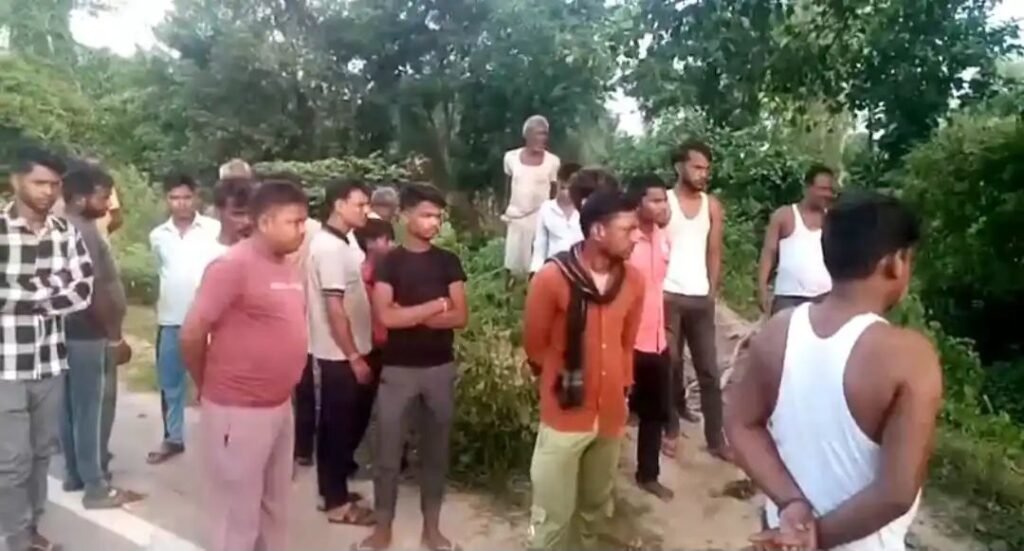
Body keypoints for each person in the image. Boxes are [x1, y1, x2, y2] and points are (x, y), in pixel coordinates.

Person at [726, 191, 941, 551]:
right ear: (895, 263)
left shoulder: (779, 330)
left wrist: (791, 504)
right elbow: (896, 492)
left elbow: (740, 424)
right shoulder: (910, 357)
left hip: (781, 531)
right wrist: (815, 538)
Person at [180, 181, 310, 551]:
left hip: (279, 406)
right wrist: (206, 384)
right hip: (237, 410)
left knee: (275, 507)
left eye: (304, 222)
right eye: (294, 222)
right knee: (236, 515)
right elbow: (192, 333)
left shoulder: (287, 265)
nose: (302, 230)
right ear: (265, 222)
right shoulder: (232, 266)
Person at [524, 186, 645, 550]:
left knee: (594, 510)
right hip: (564, 415)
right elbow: (535, 345)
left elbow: (627, 344)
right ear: (598, 231)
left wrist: (622, 390)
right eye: (628, 229)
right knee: (552, 517)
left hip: (609, 416)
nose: (637, 237)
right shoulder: (552, 278)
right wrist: (562, 384)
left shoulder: (634, 281)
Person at [359, 183, 468, 551]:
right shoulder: (389, 262)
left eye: (438, 216)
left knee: (436, 453)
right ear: (405, 216)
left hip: (440, 369)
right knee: (387, 454)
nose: (434, 222)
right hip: (398, 370)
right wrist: (436, 306)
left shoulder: (447, 261)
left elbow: (460, 316)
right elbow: (386, 317)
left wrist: (409, 314)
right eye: (426, 215)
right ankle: (383, 530)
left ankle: (432, 530)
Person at [0, 147, 94, 551]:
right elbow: (63, 291)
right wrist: (49, 292)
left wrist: (22, 297)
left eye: (54, 184)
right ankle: (17, 537)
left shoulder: (65, 232)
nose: (48, 192)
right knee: (12, 461)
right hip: (5, 363)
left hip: (50, 360)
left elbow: (82, 290)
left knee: (41, 454)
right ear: (16, 181)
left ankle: (31, 526)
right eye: (39, 182)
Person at [58, 165, 134, 509]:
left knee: (70, 409)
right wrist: (114, 336)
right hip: (91, 335)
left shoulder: (62, 227)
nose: (107, 205)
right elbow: (93, 291)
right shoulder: (84, 231)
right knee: (94, 411)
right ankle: (96, 485)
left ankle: (74, 474)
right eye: (102, 197)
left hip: (68, 332)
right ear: (79, 198)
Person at [305, 179, 377, 525]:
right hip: (338, 353)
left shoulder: (345, 240)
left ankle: (332, 491)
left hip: (350, 347)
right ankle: (336, 503)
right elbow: (334, 307)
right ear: (338, 204)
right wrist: (353, 356)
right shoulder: (329, 248)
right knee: (337, 427)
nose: (366, 211)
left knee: (340, 424)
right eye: (360, 204)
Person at [147, 174, 221, 464]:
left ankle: (219, 440)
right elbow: (162, 270)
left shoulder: (213, 229)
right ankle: (173, 438)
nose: (181, 203)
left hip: (210, 321)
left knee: (214, 383)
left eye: (186, 197)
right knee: (170, 383)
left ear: (196, 198)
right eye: (174, 198)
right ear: (167, 200)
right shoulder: (158, 235)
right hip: (171, 320)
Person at [662, 140, 727, 460]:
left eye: (706, 169)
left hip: (700, 297)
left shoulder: (711, 206)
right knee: (670, 365)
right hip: (668, 295)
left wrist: (711, 291)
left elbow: (714, 251)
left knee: (709, 372)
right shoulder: (664, 202)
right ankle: (670, 428)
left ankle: (716, 439)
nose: (703, 174)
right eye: (697, 167)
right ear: (679, 167)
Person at [625, 174, 674, 501]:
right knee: (614, 409)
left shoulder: (663, 237)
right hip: (627, 340)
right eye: (654, 200)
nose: (661, 206)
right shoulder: (626, 239)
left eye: (664, 200)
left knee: (655, 412)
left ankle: (648, 474)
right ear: (638, 202)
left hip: (656, 340)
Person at [757, 164, 836, 315]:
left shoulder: (832, 219)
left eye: (830, 190)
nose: (827, 194)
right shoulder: (784, 216)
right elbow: (769, 253)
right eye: (822, 189)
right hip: (788, 297)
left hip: (825, 297)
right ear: (807, 188)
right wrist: (761, 288)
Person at [502, 115, 561, 276]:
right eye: (538, 133)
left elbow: (554, 191)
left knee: (536, 264)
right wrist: (505, 211)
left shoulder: (552, 161)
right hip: (516, 218)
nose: (543, 138)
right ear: (527, 135)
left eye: (545, 134)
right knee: (512, 263)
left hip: (539, 218)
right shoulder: (511, 158)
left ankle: (533, 290)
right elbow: (507, 185)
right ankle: (510, 290)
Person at [529, 162, 583, 274]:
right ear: (557, 183)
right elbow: (540, 246)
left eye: (570, 189)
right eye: (562, 188)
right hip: (553, 269)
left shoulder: (586, 210)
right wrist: (535, 271)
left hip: (580, 271)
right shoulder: (546, 209)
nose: (565, 193)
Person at [212, 176, 255, 252]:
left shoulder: (270, 253)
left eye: (253, 214)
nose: (247, 221)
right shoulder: (201, 254)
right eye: (239, 214)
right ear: (218, 212)